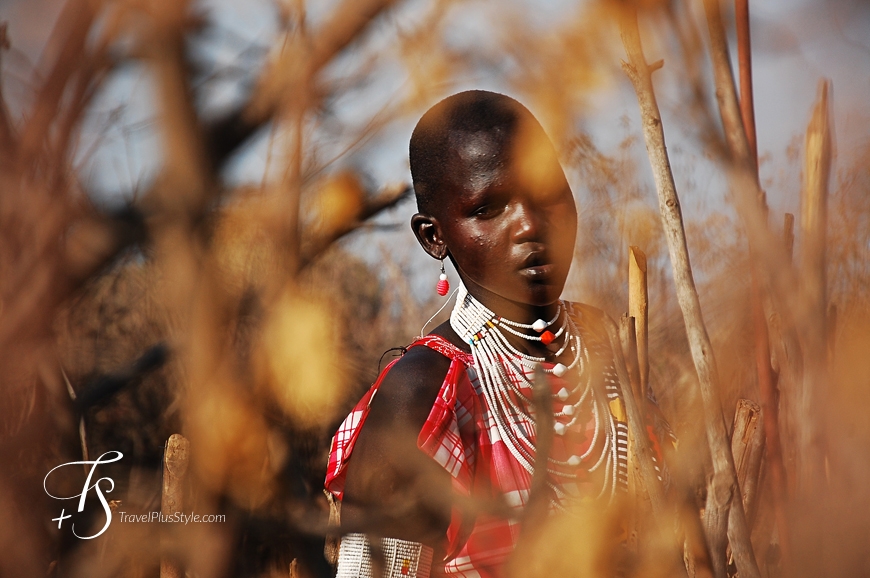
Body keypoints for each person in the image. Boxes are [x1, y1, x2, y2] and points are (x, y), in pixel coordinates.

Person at [324, 90, 669, 578]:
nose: (530, 224)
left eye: (547, 192)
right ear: (433, 237)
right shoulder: (424, 394)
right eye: (488, 209)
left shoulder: (610, 348)